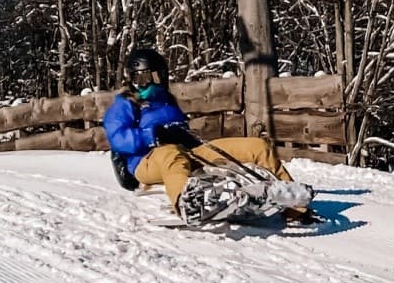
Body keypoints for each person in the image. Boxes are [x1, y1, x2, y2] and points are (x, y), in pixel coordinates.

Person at [103, 46, 315, 226]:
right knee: (171, 154)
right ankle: (185, 205)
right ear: (136, 78)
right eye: (148, 77)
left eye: (158, 76)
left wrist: (183, 135)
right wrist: (153, 134)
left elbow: (181, 132)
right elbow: (117, 138)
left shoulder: (167, 101)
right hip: (146, 161)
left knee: (257, 146)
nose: (155, 83)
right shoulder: (124, 105)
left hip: (187, 152)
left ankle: (295, 206)